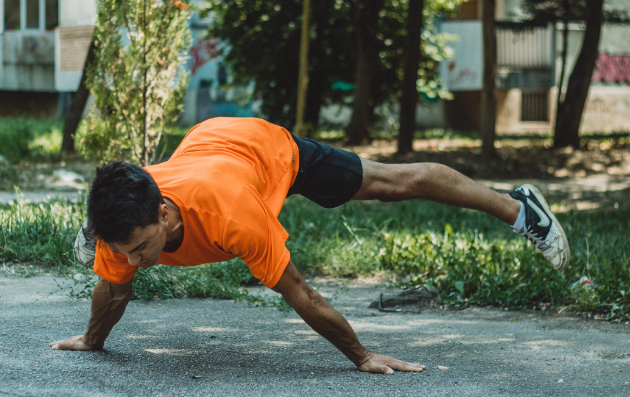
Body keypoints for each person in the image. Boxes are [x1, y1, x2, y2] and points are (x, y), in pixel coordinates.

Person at [50, 117, 570, 375]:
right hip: (203, 148)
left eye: (140, 248)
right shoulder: (127, 231)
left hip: (269, 152)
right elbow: (112, 293)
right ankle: (91, 223)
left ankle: (520, 209)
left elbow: (303, 294)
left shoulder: (234, 217)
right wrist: (92, 341)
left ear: (163, 214)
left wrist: (361, 355)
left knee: (390, 184)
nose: (135, 261)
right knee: (111, 262)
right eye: (124, 250)